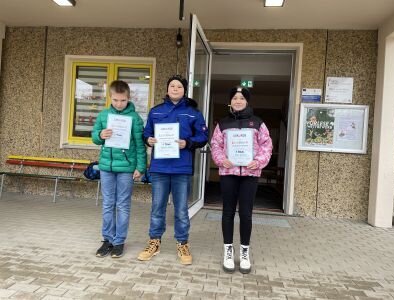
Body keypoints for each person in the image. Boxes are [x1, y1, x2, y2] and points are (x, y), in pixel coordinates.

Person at [137, 75, 208, 265]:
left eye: (179, 86)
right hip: (159, 167)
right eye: (172, 86)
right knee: (157, 208)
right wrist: (148, 140)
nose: (175, 88)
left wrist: (188, 143)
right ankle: (154, 242)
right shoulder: (156, 111)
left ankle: (182, 243)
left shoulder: (193, 113)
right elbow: (146, 132)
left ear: (184, 90)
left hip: (181, 168)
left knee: (182, 210)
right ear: (167, 90)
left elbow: (203, 136)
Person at [210, 86, 273, 274]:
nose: (238, 101)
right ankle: (228, 251)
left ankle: (244, 252)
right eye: (235, 98)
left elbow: (266, 145)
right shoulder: (222, 124)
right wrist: (222, 160)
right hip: (228, 173)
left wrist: (258, 161)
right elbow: (215, 145)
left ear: (247, 102)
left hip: (250, 174)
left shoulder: (258, 123)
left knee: (246, 214)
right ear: (230, 102)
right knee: (228, 212)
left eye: (242, 98)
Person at [92, 80, 146, 258]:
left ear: (128, 98)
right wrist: (100, 135)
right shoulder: (103, 115)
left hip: (126, 168)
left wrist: (140, 167)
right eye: (115, 100)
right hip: (106, 166)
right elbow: (94, 137)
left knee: (122, 204)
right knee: (108, 204)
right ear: (110, 97)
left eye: (122, 100)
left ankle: (119, 241)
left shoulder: (135, 119)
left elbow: (140, 145)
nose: (119, 104)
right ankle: (107, 239)